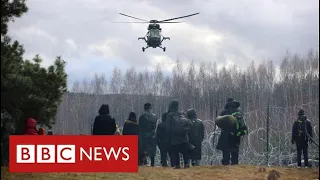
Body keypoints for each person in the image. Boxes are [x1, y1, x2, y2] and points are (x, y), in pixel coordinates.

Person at [216, 98, 247, 165]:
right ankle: (235, 166)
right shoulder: (239, 111)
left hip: (226, 135)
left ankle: (225, 165)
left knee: (226, 152)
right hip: (236, 135)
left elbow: (218, 123)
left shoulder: (224, 112)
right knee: (235, 152)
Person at [166, 99, 192, 169]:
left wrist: (169, 136)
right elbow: (189, 124)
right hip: (184, 137)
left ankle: (177, 165)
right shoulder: (182, 113)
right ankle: (186, 164)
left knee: (175, 151)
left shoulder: (170, 115)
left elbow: (168, 127)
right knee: (184, 151)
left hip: (174, 137)